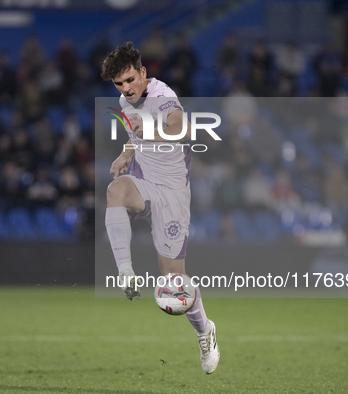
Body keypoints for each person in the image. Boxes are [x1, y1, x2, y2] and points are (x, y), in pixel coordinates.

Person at [101, 42, 220, 374]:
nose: (126, 89)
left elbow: (181, 128)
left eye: (129, 80)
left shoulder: (162, 95)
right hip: (144, 180)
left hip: (172, 193)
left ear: (143, 73)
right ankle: (125, 271)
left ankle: (205, 330)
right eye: (119, 84)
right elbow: (134, 133)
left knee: (174, 280)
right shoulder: (125, 101)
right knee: (116, 191)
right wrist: (127, 152)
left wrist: (148, 131)